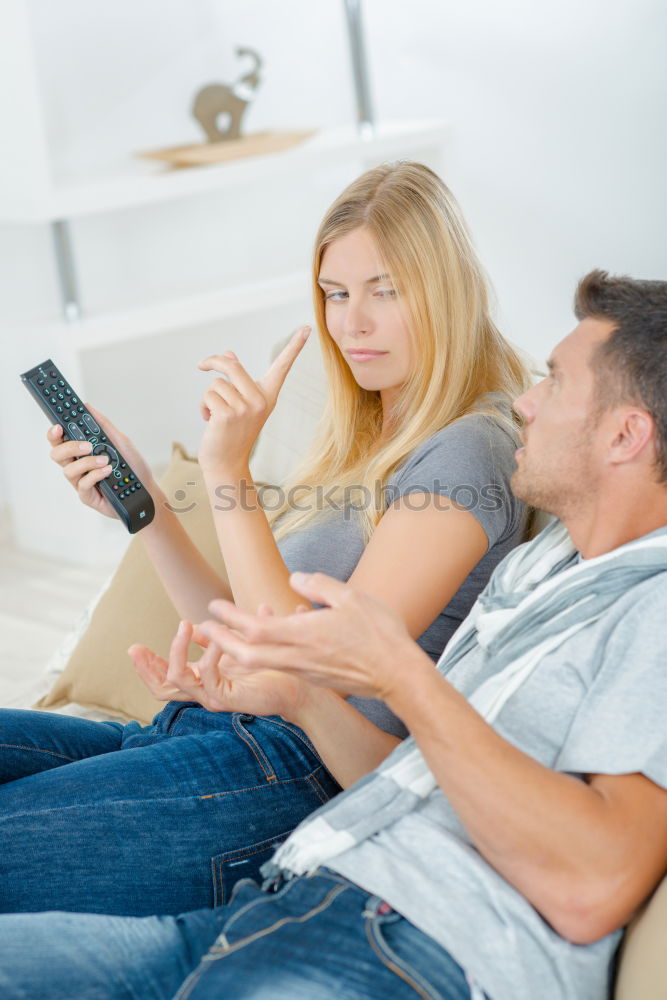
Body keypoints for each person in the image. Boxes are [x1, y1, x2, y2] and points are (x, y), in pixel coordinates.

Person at [1, 269, 665, 1000]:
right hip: (293, 890)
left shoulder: (623, 586)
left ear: (626, 434)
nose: (525, 403)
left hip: (392, 934)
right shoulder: (544, 571)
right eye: (333, 292)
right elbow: (396, 763)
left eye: (555, 382)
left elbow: (595, 881)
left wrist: (390, 679)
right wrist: (299, 694)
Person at [0, 162, 530, 916]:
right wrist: (146, 505)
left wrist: (229, 468)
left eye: (385, 290)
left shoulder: (469, 449)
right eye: (335, 294)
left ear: (445, 289)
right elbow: (243, 627)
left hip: (282, 769)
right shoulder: (367, 436)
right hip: (198, 733)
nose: (352, 324)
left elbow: (311, 660)